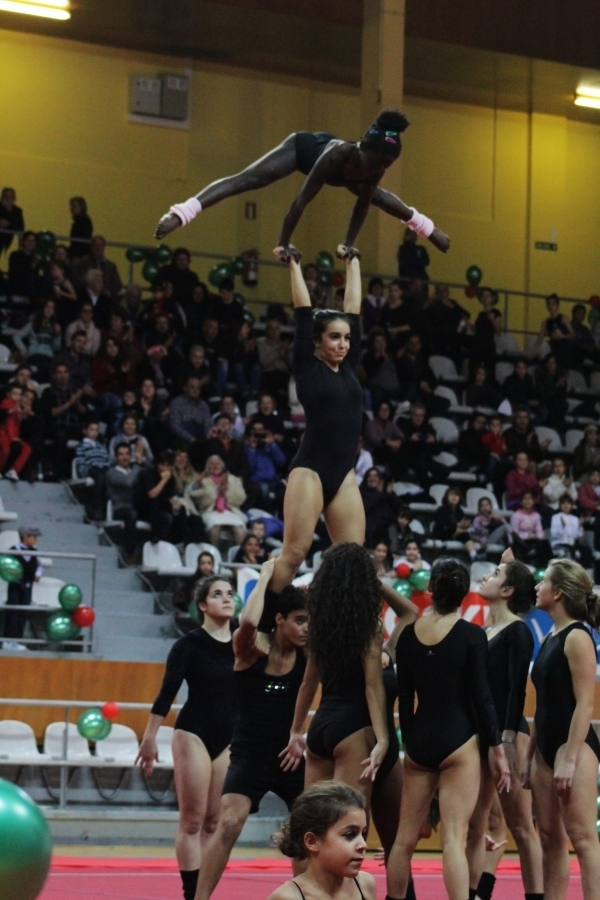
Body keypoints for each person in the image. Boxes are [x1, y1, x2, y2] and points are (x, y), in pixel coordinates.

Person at [155, 111, 450, 260]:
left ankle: (428, 228)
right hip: (303, 152)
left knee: (380, 198)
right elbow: (301, 201)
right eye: (373, 162)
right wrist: (282, 244)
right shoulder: (337, 154)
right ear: (362, 148)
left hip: (343, 174)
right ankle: (181, 213)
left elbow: (362, 208)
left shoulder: (376, 166)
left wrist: (347, 246)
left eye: (384, 166)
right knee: (246, 181)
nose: (376, 170)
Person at [386, 558, 510, 900]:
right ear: (465, 594)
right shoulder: (472, 635)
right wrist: (497, 748)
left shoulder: (408, 635)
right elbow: (482, 696)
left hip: (420, 739)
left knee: (404, 840)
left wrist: (411, 742)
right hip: (458, 739)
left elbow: (405, 697)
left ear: (430, 589)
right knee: (454, 838)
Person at [281, 545, 417, 843]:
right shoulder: (369, 628)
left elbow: (307, 684)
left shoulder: (321, 627)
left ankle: (305, 879)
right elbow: (372, 686)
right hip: (358, 731)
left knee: (312, 828)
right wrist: (383, 739)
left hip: (322, 728)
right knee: (347, 830)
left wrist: (296, 731)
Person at [192, 558, 308, 900]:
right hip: (250, 755)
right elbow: (248, 621)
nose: (306, 629)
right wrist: (265, 576)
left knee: (307, 831)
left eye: (309, 622)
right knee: (229, 823)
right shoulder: (250, 651)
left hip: (289, 757)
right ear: (279, 619)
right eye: (300, 621)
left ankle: (307, 896)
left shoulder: (309, 655)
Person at [266, 250, 365, 595]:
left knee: (352, 560)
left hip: (344, 475)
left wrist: (353, 263)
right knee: (294, 554)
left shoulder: (349, 365)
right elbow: (303, 311)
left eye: (347, 338)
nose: (343, 344)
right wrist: (294, 264)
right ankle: (264, 620)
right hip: (310, 471)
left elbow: (353, 308)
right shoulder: (307, 367)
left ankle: (331, 618)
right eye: (334, 337)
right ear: (317, 341)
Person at [137, 576, 238, 900]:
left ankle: (203, 893)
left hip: (229, 737)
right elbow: (166, 693)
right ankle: (192, 894)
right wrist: (149, 738)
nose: (227, 598)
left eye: (230, 593)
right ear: (203, 605)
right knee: (192, 822)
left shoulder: (244, 643)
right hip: (193, 732)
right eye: (218, 594)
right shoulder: (188, 645)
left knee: (213, 823)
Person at [466, 552, 543, 900]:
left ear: (508, 590)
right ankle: (475, 893)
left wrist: (508, 739)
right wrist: (505, 565)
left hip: (508, 733)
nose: (485, 577)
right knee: (477, 825)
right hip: (481, 733)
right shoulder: (484, 631)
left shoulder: (519, 632)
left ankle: (536, 896)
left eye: (494, 573)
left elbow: (516, 689)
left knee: (521, 826)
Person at [523, 559, 600, 900]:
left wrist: (569, 758)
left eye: (543, 581)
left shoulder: (577, 637)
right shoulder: (551, 636)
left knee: (582, 838)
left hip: (575, 748)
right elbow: (543, 705)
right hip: (544, 749)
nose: (537, 587)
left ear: (558, 593)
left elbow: (585, 704)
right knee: (549, 838)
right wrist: (530, 755)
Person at [267, 781, 376, 900]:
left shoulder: (365, 884)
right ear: (312, 841)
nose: (363, 845)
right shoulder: (288, 897)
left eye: (363, 834)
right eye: (350, 835)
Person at [185, 455, 247, 546]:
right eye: (212, 464)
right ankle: (214, 552)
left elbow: (241, 498)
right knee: (214, 528)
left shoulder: (233, 479)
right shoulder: (202, 479)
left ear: (222, 466)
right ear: (208, 467)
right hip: (211, 511)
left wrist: (227, 490)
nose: (215, 466)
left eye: (217, 464)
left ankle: (240, 553)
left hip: (231, 511)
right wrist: (198, 484)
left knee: (240, 530)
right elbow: (192, 495)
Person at [2, 524, 43, 650]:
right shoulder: (13, 550)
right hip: (16, 585)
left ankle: (17, 639)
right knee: (13, 611)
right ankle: (8, 639)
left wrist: (37, 574)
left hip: (28, 586)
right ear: (26, 537)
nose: (36, 539)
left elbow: (39, 565)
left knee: (23, 612)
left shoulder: (34, 552)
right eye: (34, 537)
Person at [106, 443, 144, 565]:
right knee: (131, 514)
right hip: (119, 508)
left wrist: (142, 456)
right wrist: (138, 465)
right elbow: (128, 482)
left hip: (136, 506)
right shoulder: (112, 472)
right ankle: (130, 553)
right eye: (121, 454)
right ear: (116, 457)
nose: (124, 457)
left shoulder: (135, 470)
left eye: (127, 454)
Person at [74, 420, 111, 521]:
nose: (94, 433)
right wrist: (83, 472)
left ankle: (102, 508)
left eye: (96, 430)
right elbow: (81, 461)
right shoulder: (81, 446)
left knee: (108, 478)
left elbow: (108, 459)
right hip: (92, 468)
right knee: (100, 477)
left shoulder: (101, 446)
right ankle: (96, 508)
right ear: (85, 431)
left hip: (104, 468)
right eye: (91, 430)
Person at [530, 294, 574, 370]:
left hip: (565, 350)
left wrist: (562, 336)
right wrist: (533, 352)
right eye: (548, 304)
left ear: (557, 305)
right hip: (554, 350)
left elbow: (573, 335)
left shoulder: (563, 318)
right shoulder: (545, 322)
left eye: (553, 304)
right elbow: (540, 338)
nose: (551, 306)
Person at [432, 487, 477, 559]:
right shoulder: (441, 510)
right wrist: (458, 525)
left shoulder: (460, 512)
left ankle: (474, 555)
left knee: (465, 534)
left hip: (456, 535)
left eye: (456, 495)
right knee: (463, 532)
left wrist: (464, 525)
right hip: (442, 534)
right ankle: (473, 555)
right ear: (446, 497)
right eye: (451, 494)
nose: (454, 497)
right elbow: (443, 526)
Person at [510, 492, 552, 568]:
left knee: (545, 543)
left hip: (533, 540)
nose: (527, 501)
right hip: (520, 541)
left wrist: (538, 537)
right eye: (525, 499)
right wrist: (528, 537)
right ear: (521, 501)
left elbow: (539, 531)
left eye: (530, 499)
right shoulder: (516, 515)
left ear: (533, 501)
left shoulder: (536, 515)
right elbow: (514, 533)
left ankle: (549, 567)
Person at [550, 494, 592, 567]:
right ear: (560, 505)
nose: (566, 505)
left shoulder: (575, 518)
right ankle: (572, 569)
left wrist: (579, 525)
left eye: (568, 503)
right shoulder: (555, 517)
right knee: (570, 549)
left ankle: (588, 570)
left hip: (572, 543)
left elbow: (577, 536)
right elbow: (554, 535)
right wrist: (562, 527)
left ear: (571, 505)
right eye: (563, 503)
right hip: (559, 543)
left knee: (587, 550)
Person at [0, 384, 30, 481]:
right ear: (9, 394)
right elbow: (8, 422)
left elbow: (20, 419)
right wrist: (12, 438)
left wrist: (25, 410)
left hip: (14, 435)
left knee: (27, 448)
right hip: (4, 433)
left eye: (20, 394)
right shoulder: (7, 402)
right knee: (6, 450)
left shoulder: (19, 406)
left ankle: (13, 470)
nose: (17, 396)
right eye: (15, 394)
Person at [0, 187, 24, 255]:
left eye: (11, 196)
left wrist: (9, 210)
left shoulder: (17, 211)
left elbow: (20, 227)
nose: (8, 199)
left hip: (9, 240)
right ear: (2, 198)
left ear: (14, 199)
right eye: (6, 196)